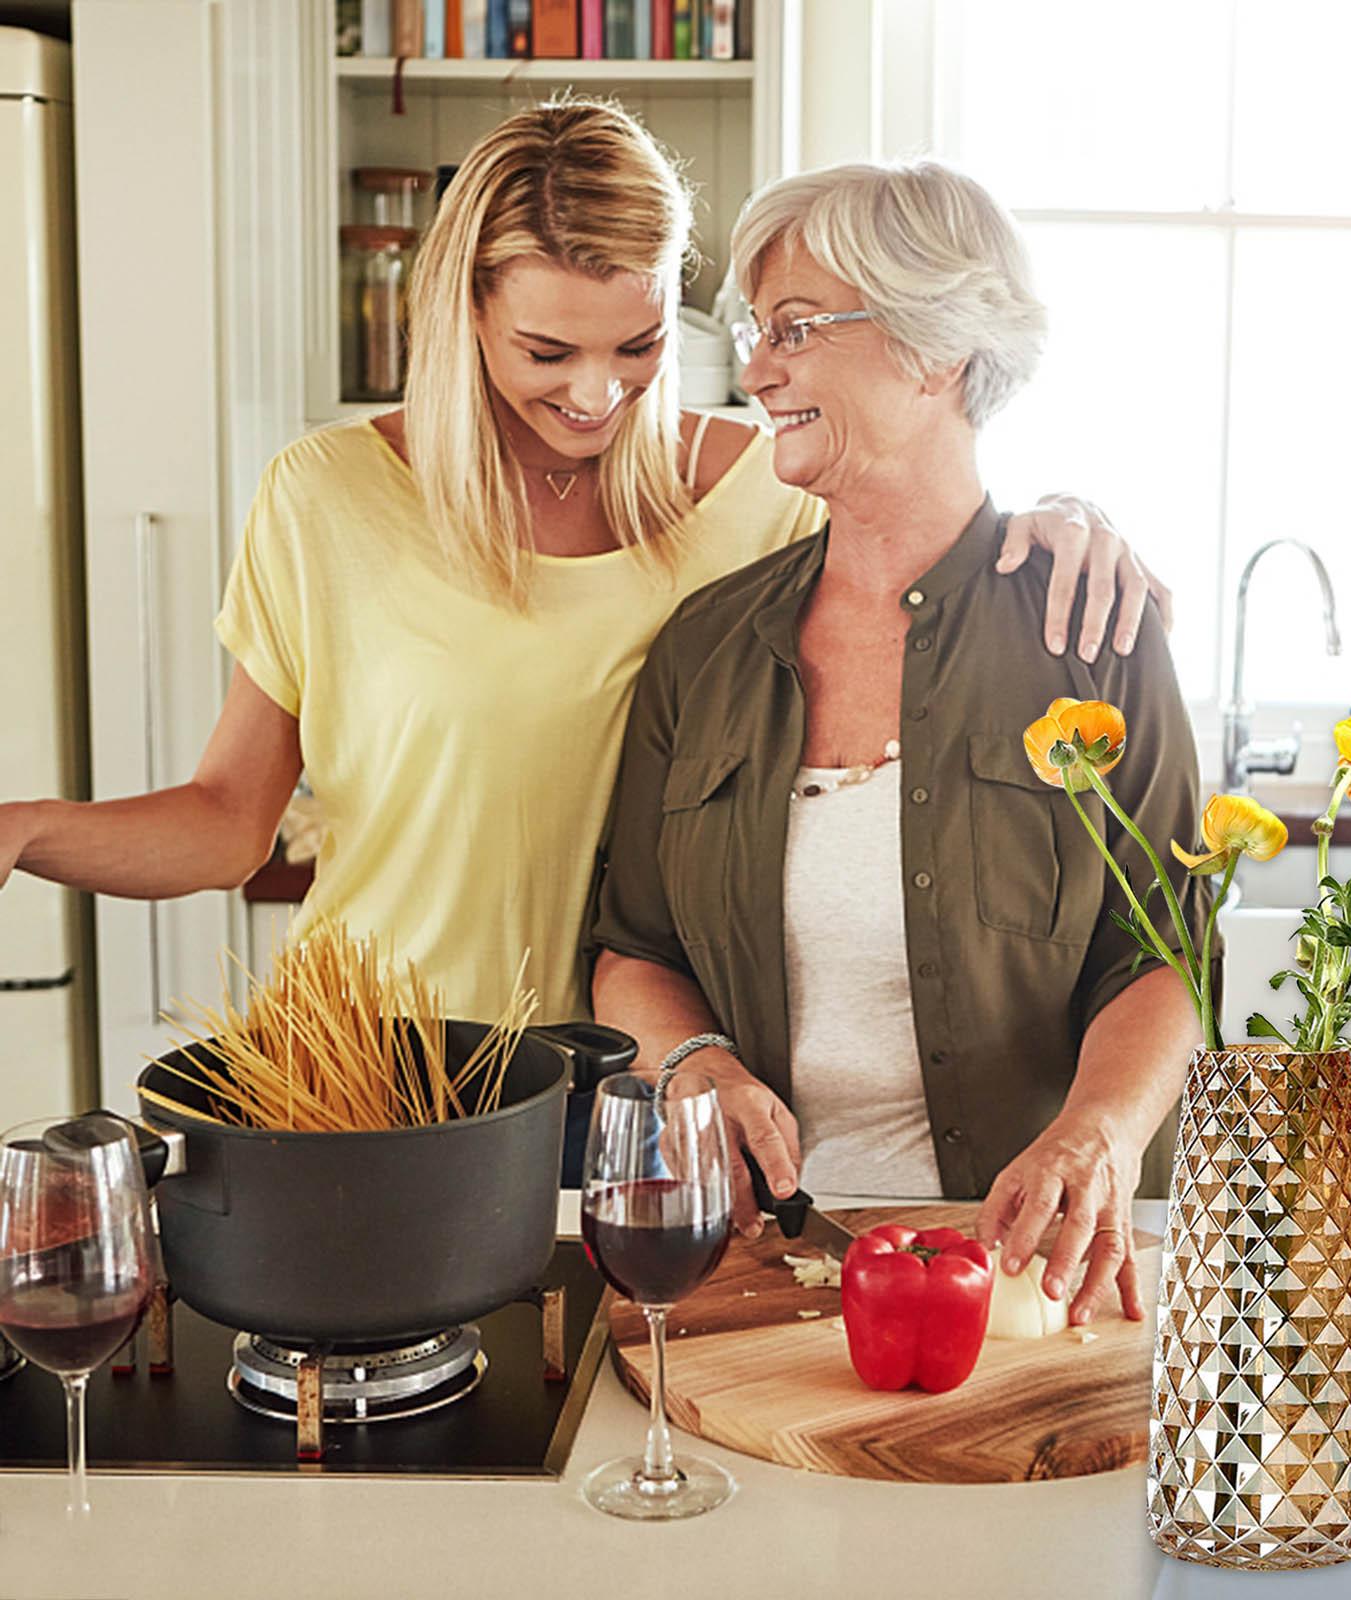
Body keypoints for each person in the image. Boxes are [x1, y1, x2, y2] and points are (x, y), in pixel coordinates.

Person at [0, 99, 1166, 1099]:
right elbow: (224, 818)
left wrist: (1066, 514)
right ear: (464, 309)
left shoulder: (765, 489)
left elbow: (928, 498)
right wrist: (30, 829)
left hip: (641, 1072)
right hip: (377, 1065)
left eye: (641, 343)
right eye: (547, 350)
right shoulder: (330, 495)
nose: (597, 393)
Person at [590, 158, 1210, 1328]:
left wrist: (1098, 1131)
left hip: (1035, 1271)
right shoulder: (704, 649)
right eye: (753, 332)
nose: (757, 367)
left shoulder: (1094, 634)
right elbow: (633, 948)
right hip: (764, 1267)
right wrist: (699, 1066)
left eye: (797, 328)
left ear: (935, 349)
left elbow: (1167, 954)